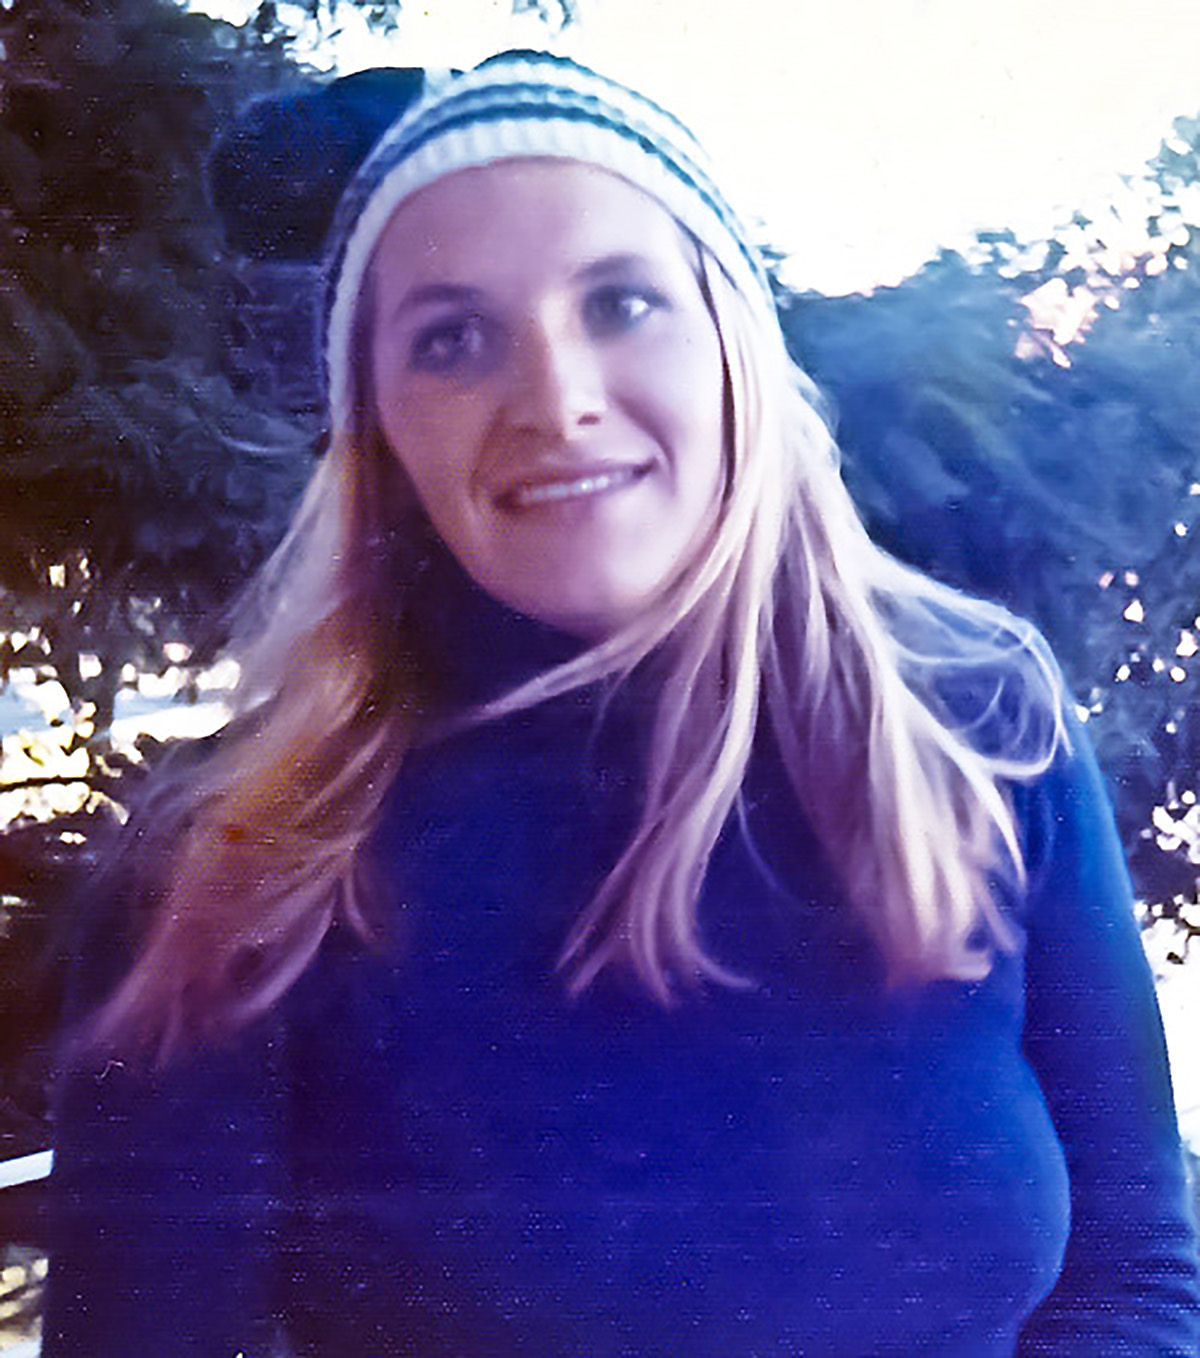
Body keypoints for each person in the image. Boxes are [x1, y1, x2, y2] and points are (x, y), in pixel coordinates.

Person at [45, 50, 1200, 1356]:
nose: (556, 399)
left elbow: (1133, 1276)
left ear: (732, 348)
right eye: (452, 338)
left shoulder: (980, 725)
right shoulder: (230, 866)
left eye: (622, 303)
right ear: (378, 433)